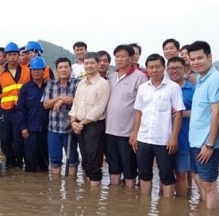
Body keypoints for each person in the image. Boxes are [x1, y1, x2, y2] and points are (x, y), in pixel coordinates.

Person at [130, 54, 184, 197]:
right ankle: (144, 206)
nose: (154, 70)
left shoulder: (173, 88)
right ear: (146, 69)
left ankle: (167, 210)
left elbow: (178, 113)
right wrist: (135, 133)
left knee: (166, 175)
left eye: (157, 67)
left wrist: (174, 138)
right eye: (151, 67)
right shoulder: (143, 88)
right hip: (144, 138)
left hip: (164, 140)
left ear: (163, 68)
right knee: (144, 174)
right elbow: (138, 112)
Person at [104, 44, 148, 187]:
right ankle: (115, 199)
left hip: (128, 133)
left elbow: (142, 107)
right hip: (109, 131)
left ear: (131, 58)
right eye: (117, 56)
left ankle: (129, 200)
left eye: (123, 56)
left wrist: (135, 132)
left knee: (129, 169)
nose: (120, 59)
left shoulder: (140, 77)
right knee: (113, 167)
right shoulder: (111, 76)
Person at [188, 40, 219, 210]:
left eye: (200, 58)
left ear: (209, 56)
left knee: (209, 185)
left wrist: (210, 144)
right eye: (192, 59)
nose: (196, 62)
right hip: (195, 142)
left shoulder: (215, 79)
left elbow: (218, 113)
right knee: (197, 177)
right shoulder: (201, 79)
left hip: (206, 144)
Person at [70, 52, 110, 186]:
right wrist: (73, 121)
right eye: (86, 63)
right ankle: (87, 192)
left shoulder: (103, 84)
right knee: (85, 159)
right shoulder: (81, 83)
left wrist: (80, 123)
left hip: (94, 126)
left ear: (98, 64)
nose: (89, 66)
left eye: (92, 63)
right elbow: (76, 103)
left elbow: (98, 110)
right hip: (80, 125)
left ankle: (94, 197)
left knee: (94, 161)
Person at [0, 42, 31, 169]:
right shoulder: (1, 73)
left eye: (15, 54)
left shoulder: (27, 71)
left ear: (18, 56)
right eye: (10, 55)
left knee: (18, 139)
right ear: (6, 57)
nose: (12, 57)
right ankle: (9, 161)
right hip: (5, 110)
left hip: (20, 111)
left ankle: (19, 163)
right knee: (4, 138)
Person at [42, 57, 79, 177]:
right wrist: (60, 97)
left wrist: (62, 101)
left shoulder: (77, 83)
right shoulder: (51, 84)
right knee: (55, 160)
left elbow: (80, 102)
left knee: (72, 159)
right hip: (53, 129)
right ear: (56, 70)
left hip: (71, 129)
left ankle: (71, 188)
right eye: (60, 68)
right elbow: (46, 104)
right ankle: (55, 188)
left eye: (66, 67)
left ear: (70, 69)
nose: (63, 70)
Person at [167, 56, 195, 196]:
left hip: (184, 139)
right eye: (171, 68)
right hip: (163, 139)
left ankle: (182, 208)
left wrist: (181, 113)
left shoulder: (192, 89)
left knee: (182, 174)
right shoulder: (162, 87)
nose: (174, 71)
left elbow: (201, 112)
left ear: (184, 69)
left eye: (178, 68)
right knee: (165, 173)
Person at [17, 57, 50, 172]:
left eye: (39, 69)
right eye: (34, 70)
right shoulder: (25, 88)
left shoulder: (49, 87)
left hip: (46, 131)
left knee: (45, 164)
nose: (36, 72)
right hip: (30, 131)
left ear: (44, 70)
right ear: (30, 71)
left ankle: (44, 188)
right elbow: (20, 109)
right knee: (30, 164)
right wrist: (23, 127)